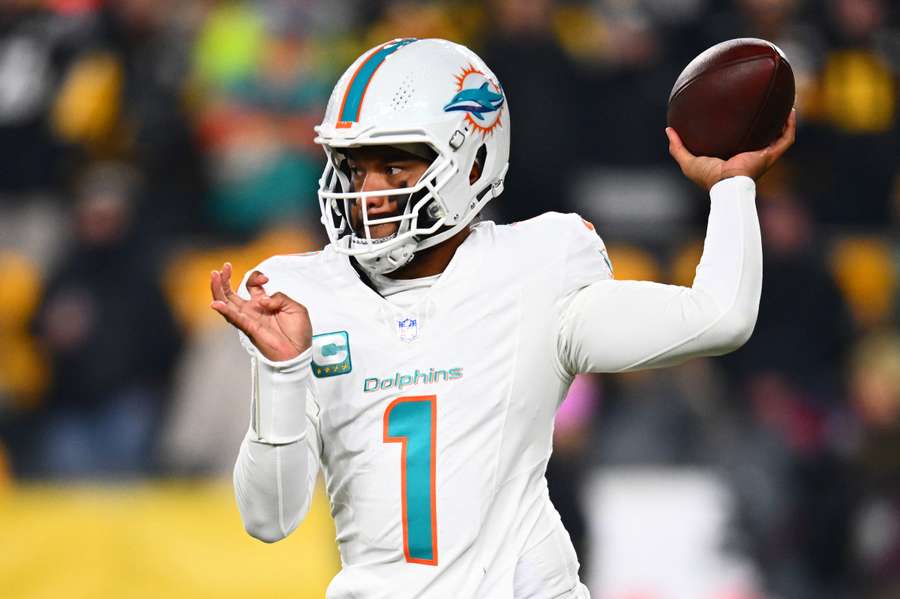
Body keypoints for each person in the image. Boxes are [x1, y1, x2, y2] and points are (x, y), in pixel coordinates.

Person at [209, 38, 795, 598]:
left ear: (471, 162)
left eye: (395, 167)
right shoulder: (305, 295)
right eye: (354, 167)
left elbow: (720, 316)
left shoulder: (534, 268)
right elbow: (269, 517)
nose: (369, 192)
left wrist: (731, 187)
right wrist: (283, 373)